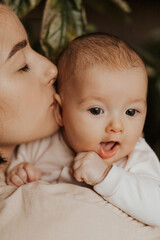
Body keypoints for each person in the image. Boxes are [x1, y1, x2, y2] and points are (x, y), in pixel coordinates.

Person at [2, 4, 160, 240]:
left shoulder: (135, 156)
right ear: (61, 111)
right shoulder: (42, 143)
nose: (117, 126)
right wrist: (21, 171)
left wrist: (108, 177)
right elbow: (18, 168)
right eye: (96, 110)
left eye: (132, 112)